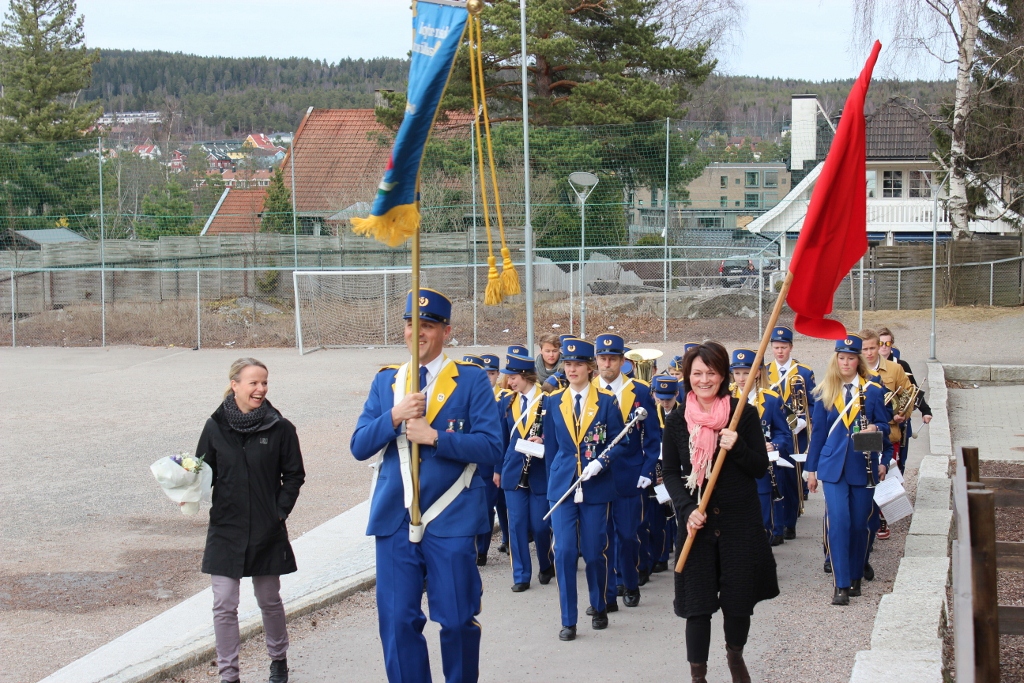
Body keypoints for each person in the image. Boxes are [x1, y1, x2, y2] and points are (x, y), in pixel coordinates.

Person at [350, 288, 503, 683]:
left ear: (446, 332)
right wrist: (394, 416)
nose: (416, 332)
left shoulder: (470, 380)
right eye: (410, 323)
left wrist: (435, 437)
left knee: (456, 619)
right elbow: (359, 445)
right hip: (395, 520)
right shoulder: (387, 382)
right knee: (397, 622)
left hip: (451, 518)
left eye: (428, 325)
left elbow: (491, 447)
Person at [661, 342, 778, 683]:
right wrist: (687, 509)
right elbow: (670, 472)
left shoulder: (743, 414)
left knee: (738, 601)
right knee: (697, 606)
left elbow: (759, 467)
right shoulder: (677, 420)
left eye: (711, 373)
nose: (704, 380)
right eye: (697, 373)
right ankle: (698, 675)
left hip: (739, 523)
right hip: (697, 525)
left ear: (723, 375)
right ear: (687, 376)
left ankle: (735, 655)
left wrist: (736, 446)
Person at [196, 357, 306, 683]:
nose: (261, 389)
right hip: (226, 528)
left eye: (264, 383)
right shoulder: (215, 427)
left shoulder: (280, 428)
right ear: (235, 385)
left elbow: (294, 475)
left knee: (269, 600)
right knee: (224, 603)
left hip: (265, 528)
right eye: (254, 383)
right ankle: (229, 674)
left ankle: (278, 659)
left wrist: (279, 511)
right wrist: (184, 485)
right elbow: (202, 472)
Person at [538, 337, 630, 641]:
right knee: (564, 551)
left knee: (593, 552)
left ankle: (599, 604)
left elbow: (620, 441)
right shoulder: (553, 401)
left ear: (590, 368)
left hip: (596, 486)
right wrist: (553, 484)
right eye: (568, 364)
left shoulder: (606, 401)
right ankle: (569, 620)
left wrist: (602, 462)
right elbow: (552, 449)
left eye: (578, 364)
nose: (572, 369)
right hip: (563, 487)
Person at [805, 334, 893, 606]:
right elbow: (818, 434)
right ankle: (840, 584)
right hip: (832, 467)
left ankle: (855, 576)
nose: (845, 363)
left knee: (858, 524)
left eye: (850, 358)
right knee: (839, 522)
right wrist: (811, 470)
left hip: (862, 465)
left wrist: (875, 428)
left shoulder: (873, 391)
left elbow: (886, 427)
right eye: (841, 358)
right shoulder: (825, 391)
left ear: (858, 360)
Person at [593, 333, 661, 607]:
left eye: (612, 359)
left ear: (623, 361)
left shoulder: (640, 392)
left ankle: (630, 582)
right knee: (601, 537)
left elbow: (653, 437)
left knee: (628, 534)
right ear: (596, 360)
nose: (607, 364)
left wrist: (647, 470)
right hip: (598, 475)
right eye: (602, 358)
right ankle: (609, 591)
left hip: (630, 473)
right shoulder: (589, 390)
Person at [498, 352, 555, 591]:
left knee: (540, 526)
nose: (509, 382)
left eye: (513, 378)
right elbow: (501, 440)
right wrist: (497, 469)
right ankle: (521, 575)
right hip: (513, 470)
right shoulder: (507, 402)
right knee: (517, 525)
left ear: (525, 376)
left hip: (539, 471)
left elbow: (557, 436)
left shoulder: (549, 400)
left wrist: (544, 441)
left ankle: (546, 563)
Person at [730, 348, 793, 547]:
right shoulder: (725, 398)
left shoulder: (771, 399)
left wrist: (773, 445)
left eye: (746, 373)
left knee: (763, 518)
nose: (741, 378)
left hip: (761, 468)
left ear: (757, 373)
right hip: (733, 468)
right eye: (737, 373)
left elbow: (784, 434)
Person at [859, 328, 912, 541]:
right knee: (866, 474)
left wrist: (902, 413)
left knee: (886, 475)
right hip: (864, 433)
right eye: (865, 349)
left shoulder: (894, 369)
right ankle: (867, 517)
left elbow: (908, 393)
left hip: (888, 433)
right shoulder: (856, 370)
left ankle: (883, 518)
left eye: (873, 348)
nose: (870, 353)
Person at [878, 326, 933, 472]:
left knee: (899, 462)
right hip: (878, 421)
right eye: (880, 343)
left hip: (899, 422)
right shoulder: (868, 365)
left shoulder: (901, 365)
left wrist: (926, 411)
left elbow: (913, 390)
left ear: (892, 345)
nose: (884, 347)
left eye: (887, 343)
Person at [644, 375, 682, 574]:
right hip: (657, 470)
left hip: (678, 470)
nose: (665, 403)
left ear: (676, 394)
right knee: (658, 517)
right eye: (661, 398)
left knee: (680, 515)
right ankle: (660, 556)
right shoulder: (652, 413)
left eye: (669, 398)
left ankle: (681, 554)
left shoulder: (684, 413)